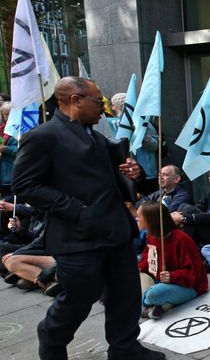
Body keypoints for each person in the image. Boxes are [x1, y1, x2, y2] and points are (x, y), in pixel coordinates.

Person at [12, 76, 164, 360]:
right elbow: (25, 185)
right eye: (98, 101)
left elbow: (109, 178)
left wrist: (133, 174)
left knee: (125, 297)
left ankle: (124, 348)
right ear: (75, 100)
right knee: (79, 300)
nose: (102, 107)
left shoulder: (95, 135)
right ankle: (52, 336)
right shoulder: (43, 137)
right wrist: (75, 209)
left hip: (116, 232)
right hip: (77, 238)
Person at [137, 202, 208, 320]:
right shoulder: (152, 236)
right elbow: (147, 259)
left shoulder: (182, 239)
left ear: (150, 220)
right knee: (135, 276)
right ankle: (157, 306)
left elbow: (194, 273)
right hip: (159, 281)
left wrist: (172, 276)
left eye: (139, 217)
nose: (137, 219)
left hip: (186, 286)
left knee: (154, 293)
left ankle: (147, 304)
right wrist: (139, 267)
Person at [110, 93, 159, 196]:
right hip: (124, 173)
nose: (113, 108)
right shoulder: (112, 124)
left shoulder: (145, 124)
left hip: (147, 174)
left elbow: (154, 146)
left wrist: (140, 131)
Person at [172, 165, 210, 247]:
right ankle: (184, 249)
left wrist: (183, 218)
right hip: (209, 227)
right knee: (184, 206)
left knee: (187, 211)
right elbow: (198, 207)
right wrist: (181, 216)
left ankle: (183, 248)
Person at [0, 102, 18, 197]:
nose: (7, 117)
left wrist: (6, 149)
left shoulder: (19, 130)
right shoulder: (1, 130)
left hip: (13, 175)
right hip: (2, 177)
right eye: (5, 114)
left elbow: (23, 150)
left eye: (9, 114)